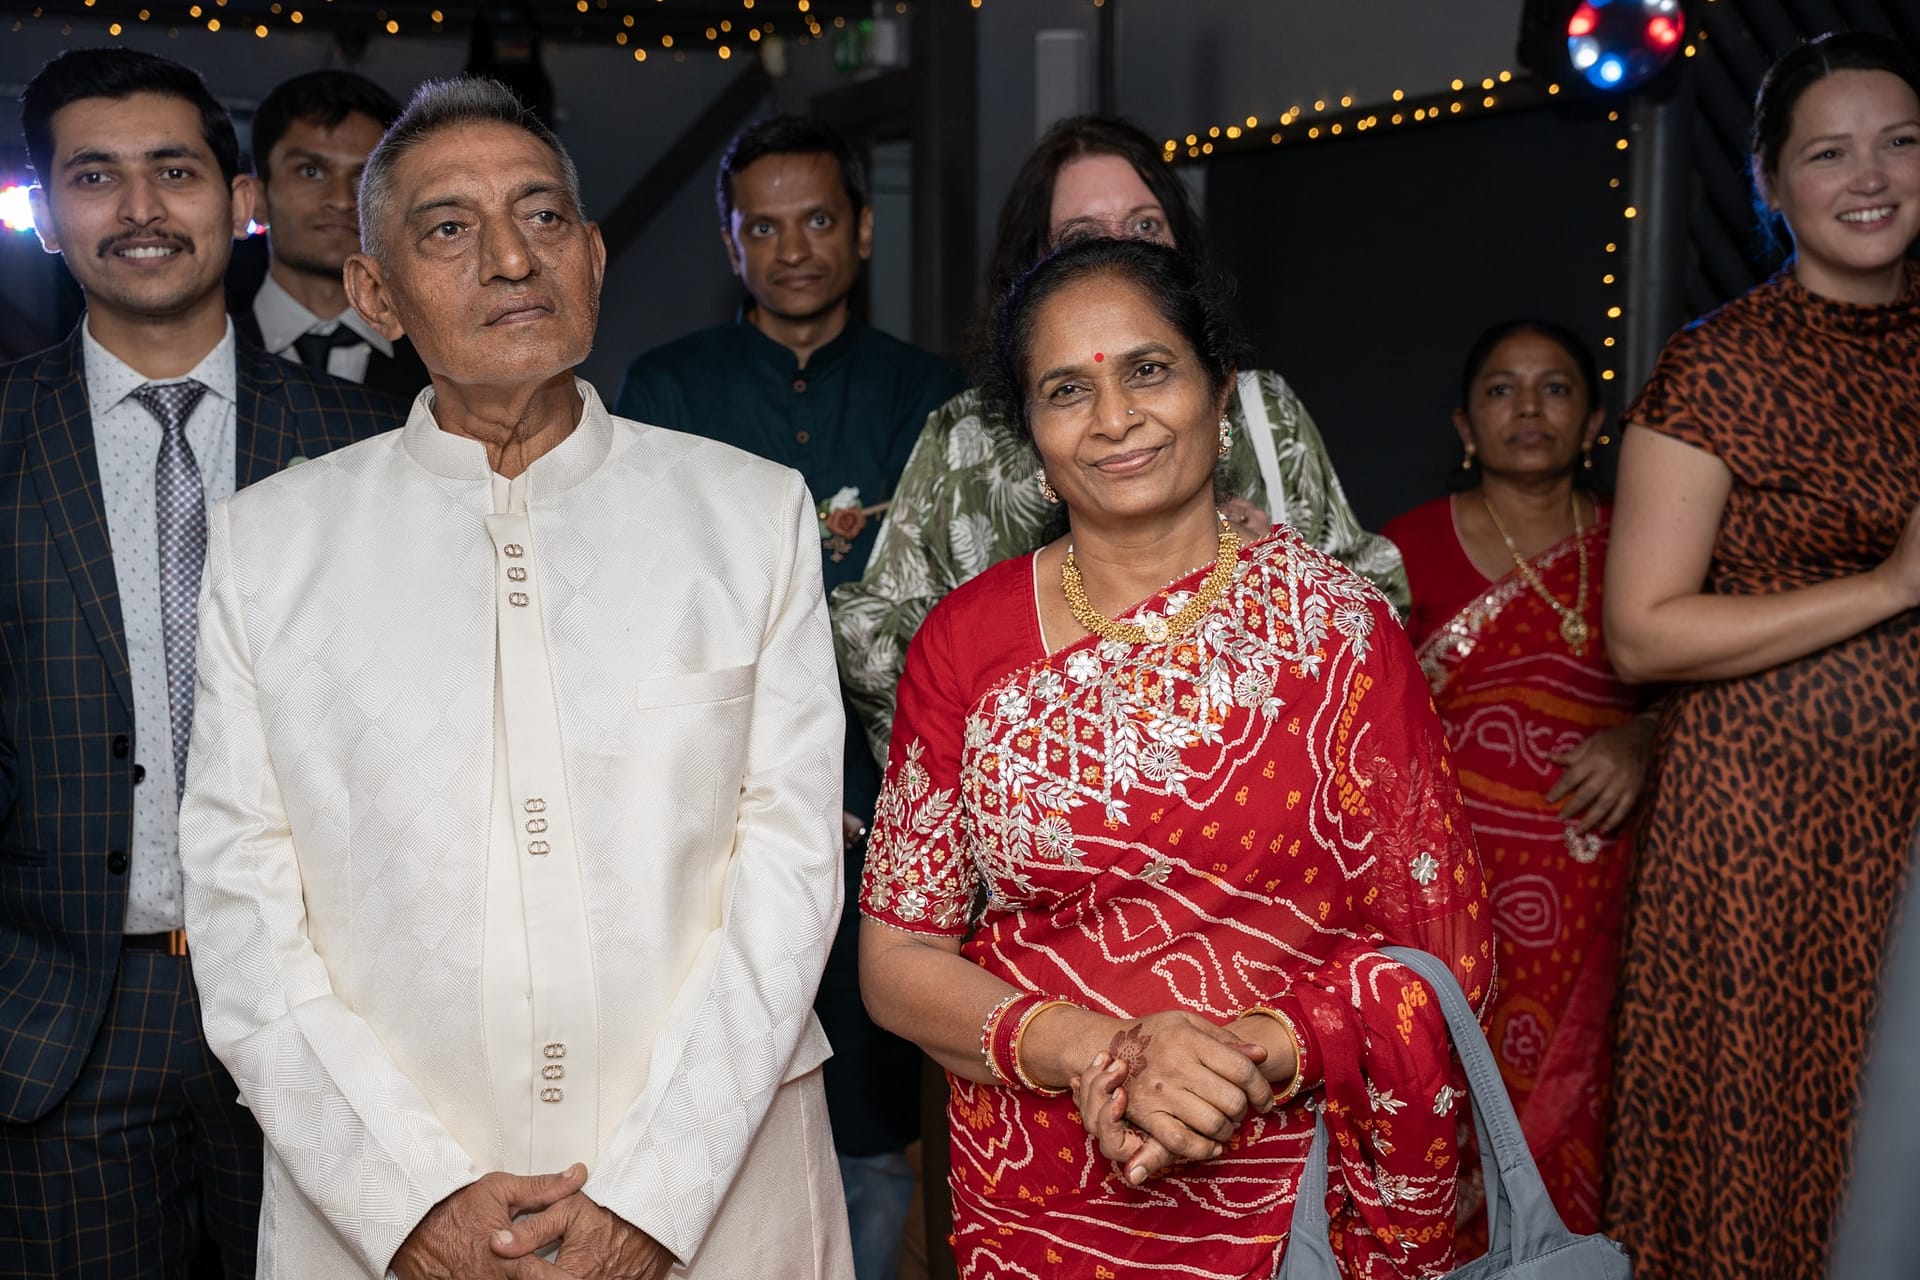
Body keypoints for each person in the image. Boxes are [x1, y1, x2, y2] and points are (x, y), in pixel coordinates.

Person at [177, 78, 852, 1279]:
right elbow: (242, 906)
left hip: (716, 1198)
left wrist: (654, 1193)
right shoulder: (270, 547)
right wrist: (408, 1200)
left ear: (593, 256)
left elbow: (790, 872)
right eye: (449, 227)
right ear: (374, 292)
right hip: (389, 1211)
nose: (509, 258)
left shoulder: (748, 516)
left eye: (542, 218)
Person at [857, 236, 1494, 1279]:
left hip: (1297, 1193)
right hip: (1040, 1199)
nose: (1115, 418)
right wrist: (1103, 1054)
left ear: (1219, 388)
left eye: (1148, 369)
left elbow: (1445, 949)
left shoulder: (1338, 634)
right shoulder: (965, 644)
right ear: (1031, 435)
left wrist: (1247, 1057)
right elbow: (897, 963)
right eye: (1068, 390)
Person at [0, 48, 404, 1277]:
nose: (139, 209)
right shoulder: (5, 434)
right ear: (46, 212)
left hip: (320, 1001)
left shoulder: (366, 442)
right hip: (62, 1018)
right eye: (94, 177)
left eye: (174, 172)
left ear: (239, 202)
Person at [614, 115, 963, 1280]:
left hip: (895, 797)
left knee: (873, 1115)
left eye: (817, 219)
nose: (794, 248)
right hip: (711, 800)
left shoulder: (934, 396)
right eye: (762, 227)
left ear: (861, 229)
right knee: (708, 1079)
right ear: (731, 243)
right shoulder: (667, 387)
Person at [1600, 31, 1920, 1280]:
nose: (1871, 176)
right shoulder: (1720, 364)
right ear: (1773, 184)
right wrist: (1888, 587)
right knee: (1777, 1140)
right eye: (1829, 153)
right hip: (1764, 835)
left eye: (1901, 143)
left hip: (1907, 829)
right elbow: (1643, 628)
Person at [830, 114, 1406, 767]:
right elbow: (874, 632)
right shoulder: (967, 435)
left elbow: (1374, 606)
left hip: (1266, 775)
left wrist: (1276, 569)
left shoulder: (1261, 408)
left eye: (1145, 226)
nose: (1114, 420)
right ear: (1031, 264)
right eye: (1082, 237)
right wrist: (1005, 744)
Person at [1382, 319, 1652, 1245]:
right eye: (1502, 389)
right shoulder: (1402, 549)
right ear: (1466, 425)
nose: (1529, 408)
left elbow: (1706, 692)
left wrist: (1646, 735)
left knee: (1590, 1114)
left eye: (1555, 388)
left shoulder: (1644, 544)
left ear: (1594, 422)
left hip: (1605, 901)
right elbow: (1357, 728)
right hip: (1449, 904)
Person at [234, 69, 432, 400]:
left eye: (365, 177)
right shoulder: (198, 355)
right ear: (257, 198)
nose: (341, 200)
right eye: (310, 171)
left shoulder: (443, 365)